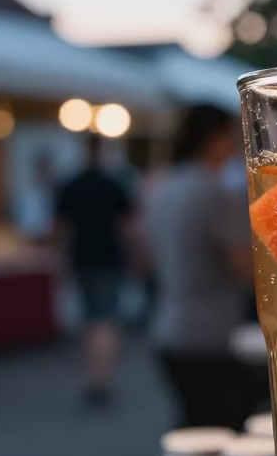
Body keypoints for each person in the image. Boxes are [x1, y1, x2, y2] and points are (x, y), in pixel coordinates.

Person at [145, 104, 262, 429]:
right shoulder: (213, 192)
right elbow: (245, 266)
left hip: (168, 323)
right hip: (209, 333)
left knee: (193, 422)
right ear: (213, 138)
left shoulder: (163, 187)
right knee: (222, 426)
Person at [55, 133, 135, 406]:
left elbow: (62, 229)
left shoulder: (71, 185)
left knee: (90, 320)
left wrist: (61, 261)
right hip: (109, 259)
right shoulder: (113, 184)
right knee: (106, 319)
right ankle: (102, 377)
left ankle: (92, 377)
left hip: (82, 259)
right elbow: (127, 226)